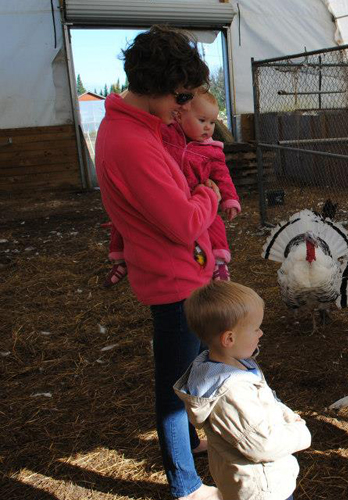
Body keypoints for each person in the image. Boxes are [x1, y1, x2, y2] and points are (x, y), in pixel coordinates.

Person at [96, 26, 221, 500]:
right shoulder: (132, 142)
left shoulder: (140, 129)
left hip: (178, 273)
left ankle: (190, 451)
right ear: (155, 86)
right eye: (180, 94)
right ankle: (185, 485)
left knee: (186, 378)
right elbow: (183, 223)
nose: (185, 106)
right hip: (173, 282)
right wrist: (207, 194)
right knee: (175, 390)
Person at [175, 281, 311, 500]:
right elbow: (261, 445)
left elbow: (268, 400)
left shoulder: (234, 365)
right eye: (256, 328)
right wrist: (300, 433)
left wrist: (285, 415)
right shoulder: (230, 392)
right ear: (229, 338)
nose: (261, 333)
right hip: (261, 488)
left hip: (258, 479)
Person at [104, 89, 240, 286]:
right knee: (120, 222)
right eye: (202, 120)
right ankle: (119, 259)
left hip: (194, 197)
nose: (208, 128)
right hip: (169, 194)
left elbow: (222, 175)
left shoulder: (212, 150)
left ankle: (219, 261)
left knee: (214, 223)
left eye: (212, 122)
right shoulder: (167, 133)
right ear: (180, 114)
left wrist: (229, 198)